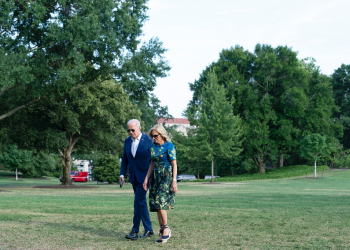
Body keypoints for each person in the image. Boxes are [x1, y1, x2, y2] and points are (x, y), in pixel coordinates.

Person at [143, 124, 178, 244]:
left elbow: (174, 164)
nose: (153, 138)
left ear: (162, 134)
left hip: (166, 176)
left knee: (160, 201)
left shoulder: (169, 146)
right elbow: (151, 164)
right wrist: (146, 179)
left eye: (155, 136)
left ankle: (166, 229)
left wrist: (174, 181)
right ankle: (162, 230)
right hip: (155, 177)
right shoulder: (152, 146)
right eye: (152, 136)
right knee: (156, 205)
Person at [120, 119, 154, 240]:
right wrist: (122, 174)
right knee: (141, 202)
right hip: (134, 177)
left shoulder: (148, 141)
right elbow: (125, 159)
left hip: (145, 178)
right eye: (128, 130)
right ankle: (149, 229)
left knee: (137, 201)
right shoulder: (127, 141)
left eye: (132, 130)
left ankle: (134, 231)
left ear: (139, 128)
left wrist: (149, 177)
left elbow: (152, 161)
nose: (130, 132)